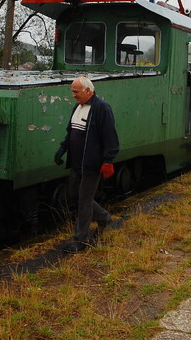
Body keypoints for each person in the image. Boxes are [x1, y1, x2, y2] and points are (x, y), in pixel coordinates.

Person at [54, 76, 119, 253]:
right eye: (73, 92)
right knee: (75, 195)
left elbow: (110, 137)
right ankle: (104, 218)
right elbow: (71, 133)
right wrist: (62, 150)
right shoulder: (78, 107)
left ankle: (81, 240)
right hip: (76, 162)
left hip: (92, 163)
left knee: (84, 201)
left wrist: (108, 161)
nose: (73, 95)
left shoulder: (102, 109)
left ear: (88, 91)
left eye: (76, 92)